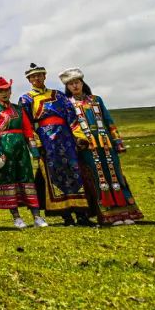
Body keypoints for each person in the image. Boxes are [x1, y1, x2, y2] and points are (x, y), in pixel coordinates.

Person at [60, 67, 144, 226]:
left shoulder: (96, 100)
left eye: (77, 82)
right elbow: (70, 126)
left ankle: (127, 213)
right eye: (71, 84)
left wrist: (117, 142)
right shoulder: (67, 104)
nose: (75, 86)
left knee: (116, 175)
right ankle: (107, 215)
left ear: (82, 83)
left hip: (106, 143)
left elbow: (108, 120)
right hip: (86, 146)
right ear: (67, 87)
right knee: (98, 178)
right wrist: (77, 144)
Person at [19, 63, 92, 226]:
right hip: (46, 141)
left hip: (66, 138)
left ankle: (82, 214)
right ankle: (66, 216)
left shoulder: (58, 95)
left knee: (74, 172)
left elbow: (72, 116)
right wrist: (36, 144)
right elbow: (27, 125)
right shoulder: (26, 99)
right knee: (54, 175)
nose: (36, 78)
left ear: (45, 76)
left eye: (39, 75)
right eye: (33, 76)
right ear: (29, 80)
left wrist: (79, 136)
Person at [0, 76, 47, 229]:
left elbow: (27, 129)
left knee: (27, 178)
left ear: (10, 91)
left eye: (6, 90)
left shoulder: (19, 109)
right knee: (8, 180)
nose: (4, 93)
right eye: (0, 91)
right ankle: (16, 217)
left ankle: (37, 216)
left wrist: (33, 149)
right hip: (5, 149)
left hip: (21, 149)